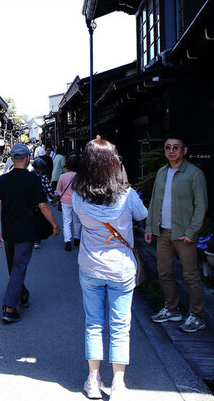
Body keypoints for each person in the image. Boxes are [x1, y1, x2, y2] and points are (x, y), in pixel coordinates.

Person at [72, 139, 148, 400]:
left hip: (90, 266)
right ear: (115, 164)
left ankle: (93, 380)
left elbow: (81, 222)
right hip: (121, 268)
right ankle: (118, 384)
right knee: (120, 325)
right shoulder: (128, 196)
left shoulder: (78, 197)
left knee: (93, 323)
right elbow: (142, 215)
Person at [144, 135, 208, 333]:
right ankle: (172, 309)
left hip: (184, 233)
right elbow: (154, 201)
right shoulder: (162, 172)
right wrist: (149, 226)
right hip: (163, 231)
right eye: (168, 148)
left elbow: (201, 205)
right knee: (164, 272)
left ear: (184, 150)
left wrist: (192, 231)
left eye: (176, 147)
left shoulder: (194, 173)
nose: (171, 151)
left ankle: (197, 315)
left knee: (191, 275)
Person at [0, 143, 60, 323]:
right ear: (28, 158)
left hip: (8, 230)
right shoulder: (33, 179)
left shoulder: (3, 180)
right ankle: (12, 306)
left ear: (13, 159)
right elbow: (43, 206)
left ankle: (16, 299)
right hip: (27, 229)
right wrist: (54, 225)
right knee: (18, 268)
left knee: (14, 268)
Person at [54, 155, 80, 251]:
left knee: (67, 221)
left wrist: (55, 199)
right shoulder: (79, 176)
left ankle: (67, 241)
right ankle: (77, 238)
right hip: (77, 201)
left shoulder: (62, 177)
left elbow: (58, 190)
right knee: (77, 221)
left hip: (65, 201)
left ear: (67, 167)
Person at [31, 157, 54, 249]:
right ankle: (37, 241)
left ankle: (31, 238)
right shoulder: (43, 177)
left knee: (31, 220)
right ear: (41, 168)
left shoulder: (29, 175)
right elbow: (49, 190)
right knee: (40, 221)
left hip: (30, 202)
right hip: (41, 202)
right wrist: (53, 198)